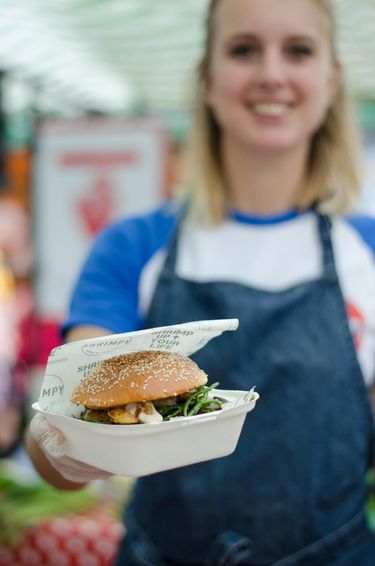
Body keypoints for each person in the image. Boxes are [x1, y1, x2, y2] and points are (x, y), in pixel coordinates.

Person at [25, 0, 375, 563]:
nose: (271, 73)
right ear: (207, 81)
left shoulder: (368, 253)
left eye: (299, 50)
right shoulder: (134, 246)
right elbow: (65, 404)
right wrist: (63, 447)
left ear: (332, 80)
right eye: (243, 49)